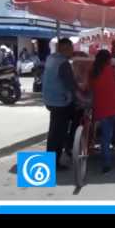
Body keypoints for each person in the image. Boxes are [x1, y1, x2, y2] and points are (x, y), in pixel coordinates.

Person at [42, 38, 78, 171]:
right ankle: (67, 148)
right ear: (65, 49)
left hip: (49, 100)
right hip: (59, 101)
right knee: (59, 132)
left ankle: (60, 152)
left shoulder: (51, 58)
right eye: (71, 48)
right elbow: (71, 85)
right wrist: (81, 95)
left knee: (54, 130)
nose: (73, 51)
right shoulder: (64, 63)